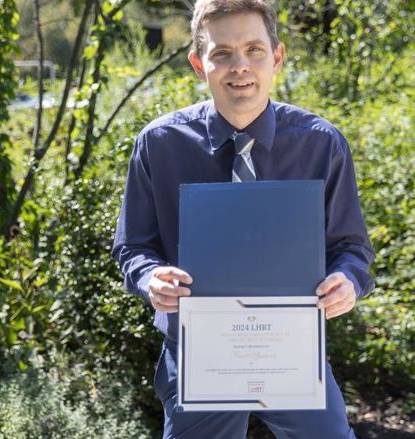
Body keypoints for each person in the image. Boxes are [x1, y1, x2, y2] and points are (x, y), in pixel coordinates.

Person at [111, 0, 375, 437]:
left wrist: (348, 281)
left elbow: (353, 247)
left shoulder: (321, 144)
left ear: (277, 56)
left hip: (294, 348)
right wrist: (150, 278)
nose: (240, 67)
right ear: (199, 64)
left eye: (254, 49)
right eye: (222, 53)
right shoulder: (159, 145)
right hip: (198, 352)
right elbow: (133, 245)